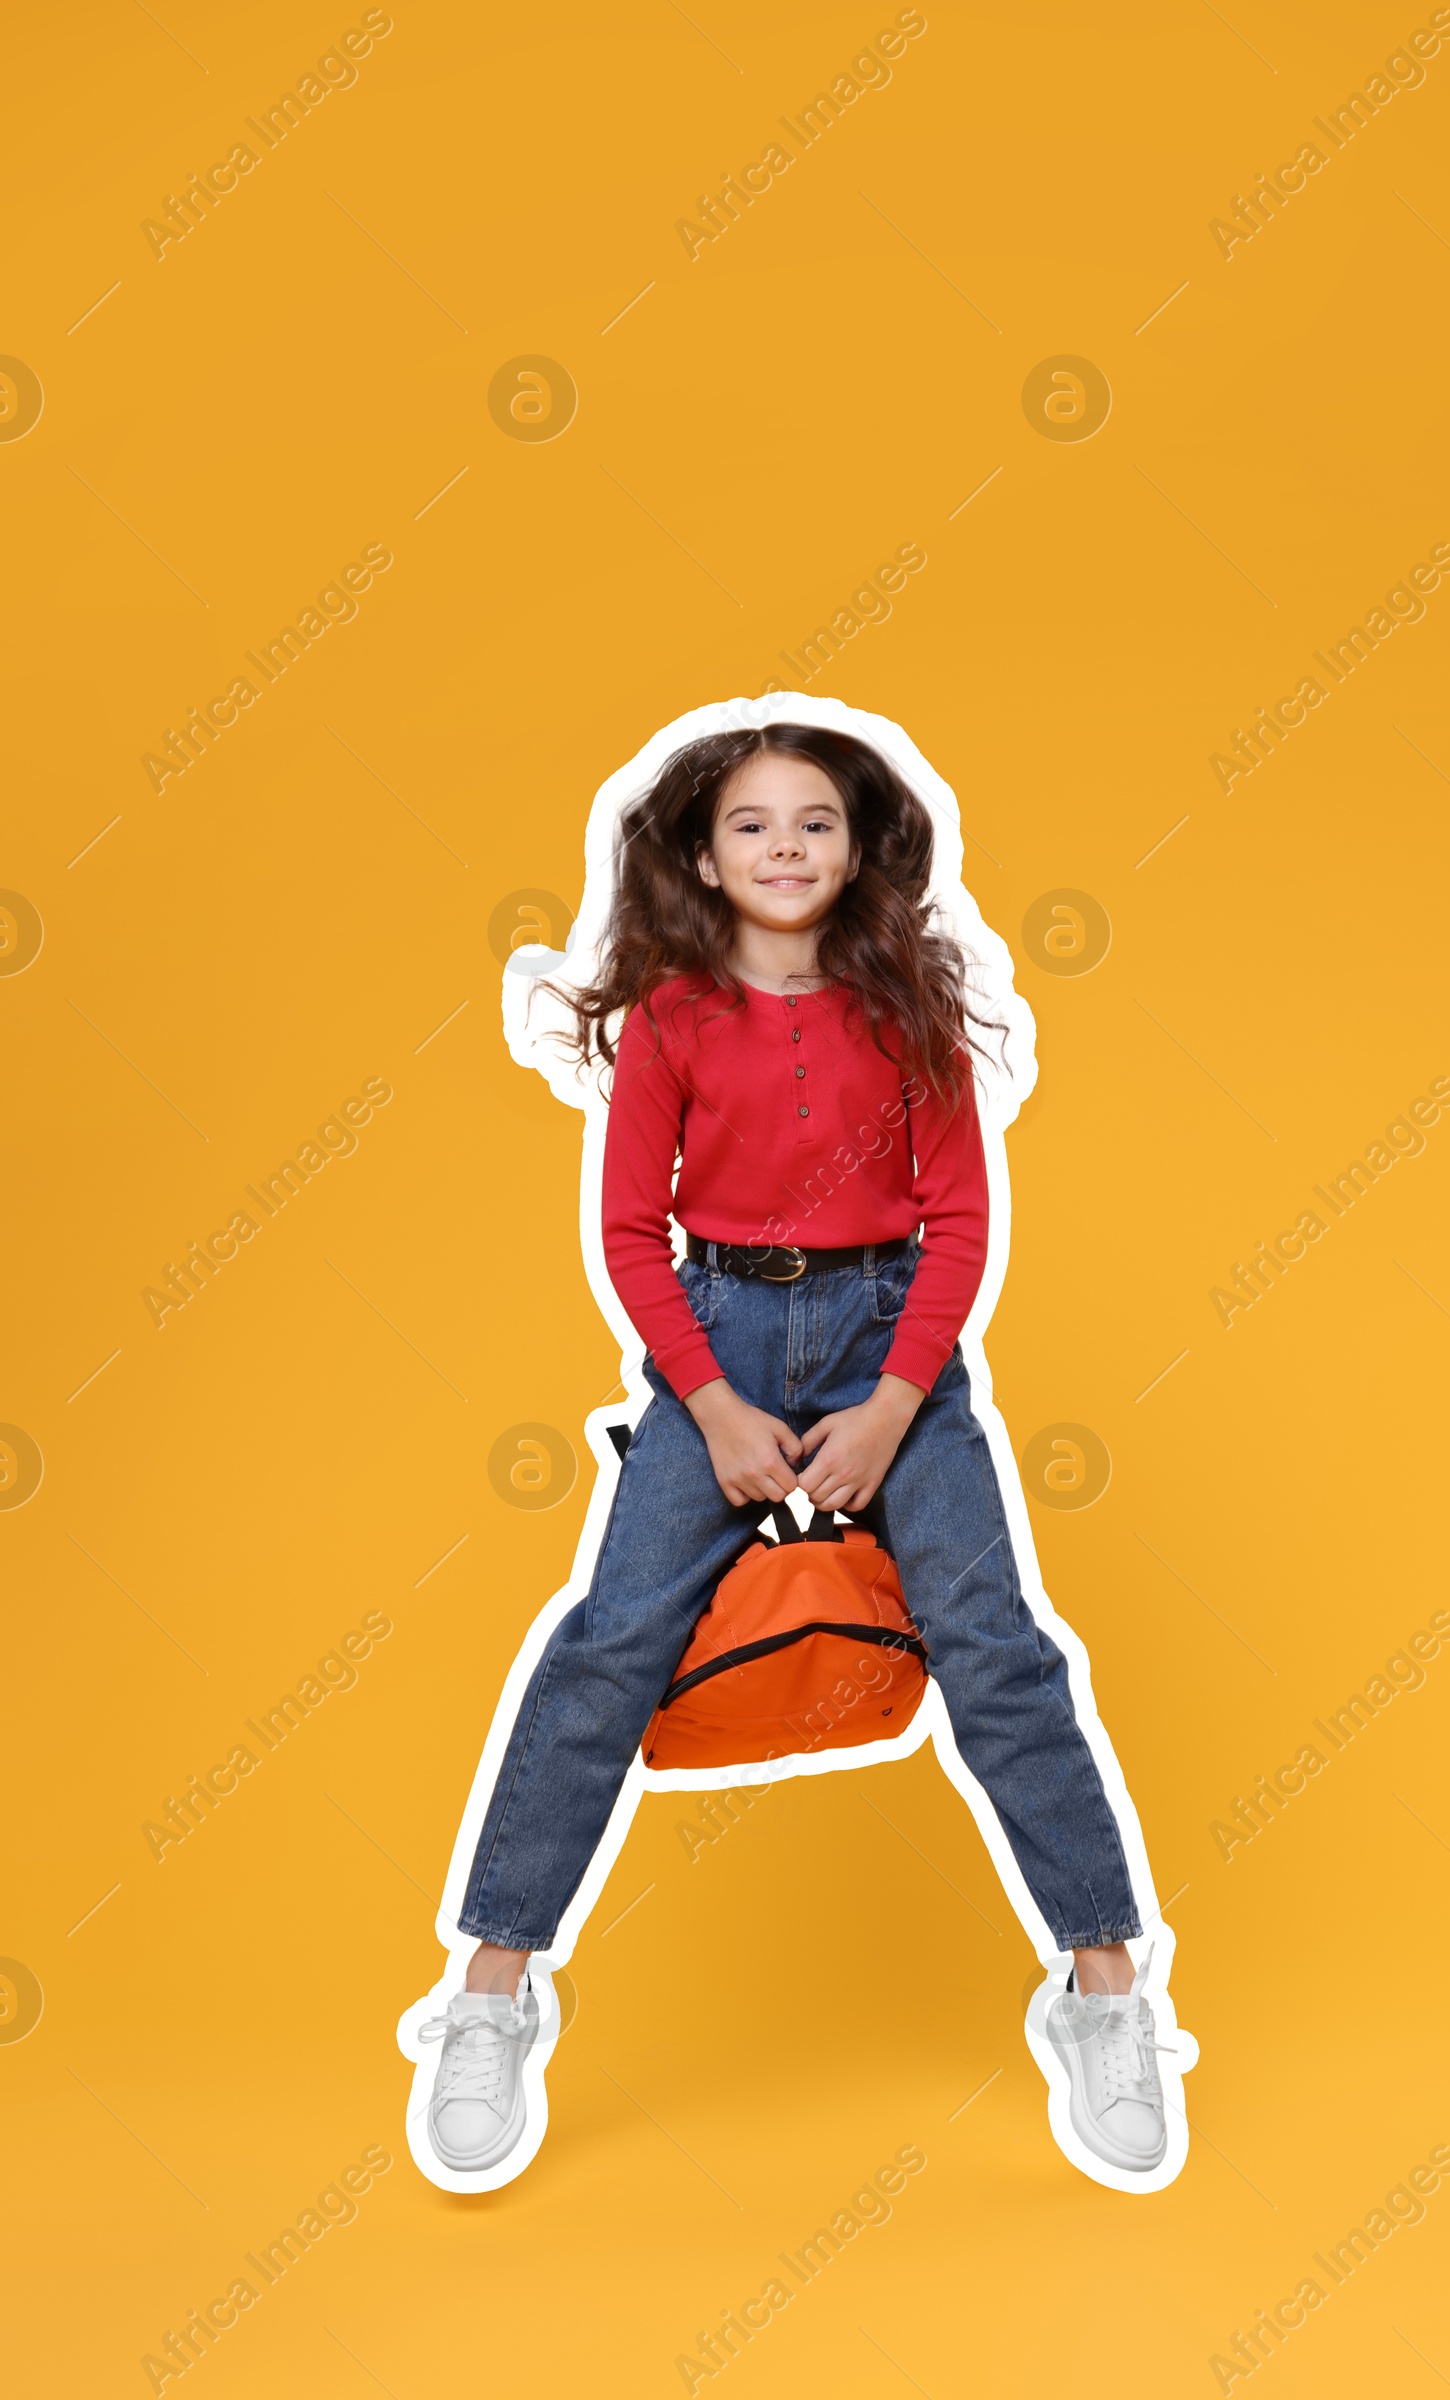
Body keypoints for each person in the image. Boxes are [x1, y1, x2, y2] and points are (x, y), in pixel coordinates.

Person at [420, 721, 1170, 2181]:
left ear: (858, 844)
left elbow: (960, 1221)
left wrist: (896, 1404)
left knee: (998, 1649)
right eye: (752, 825)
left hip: (897, 1343)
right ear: (704, 856)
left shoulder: (914, 1007)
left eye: (814, 822)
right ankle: (489, 1998)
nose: (784, 847)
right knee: (608, 1644)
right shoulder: (673, 1022)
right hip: (725, 1344)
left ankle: (1108, 1995)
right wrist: (707, 1403)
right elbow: (631, 1233)